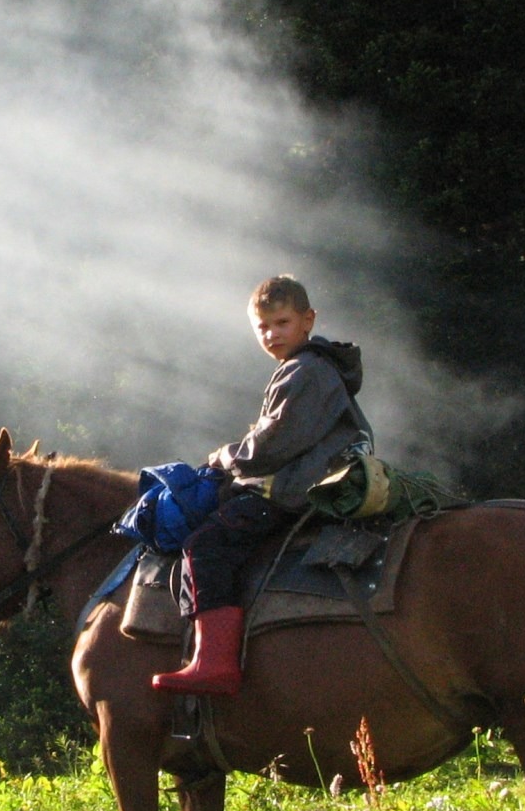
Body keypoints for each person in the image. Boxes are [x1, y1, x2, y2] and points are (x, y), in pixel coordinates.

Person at [152, 275, 372, 697]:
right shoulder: (310, 368)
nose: (272, 334)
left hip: (297, 490)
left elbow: (274, 444)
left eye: (282, 323)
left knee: (206, 546)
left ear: (308, 320)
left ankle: (213, 663)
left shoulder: (306, 370)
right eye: (263, 327)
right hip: (307, 480)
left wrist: (224, 458)